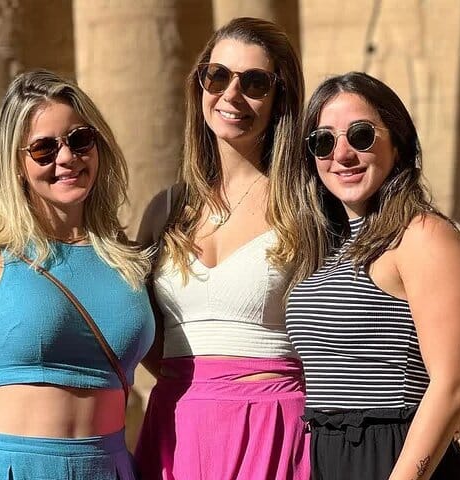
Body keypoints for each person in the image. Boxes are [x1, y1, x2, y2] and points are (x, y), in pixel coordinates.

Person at [0, 69, 154, 480]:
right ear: (17, 164)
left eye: (79, 139)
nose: (67, 158)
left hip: (111, 467)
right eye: (43, 149)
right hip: (22, 468)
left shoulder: (128, 260)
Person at [134, 17, 326, 480]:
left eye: (255, 82)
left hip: (274, 424)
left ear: (280, 97)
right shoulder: (166, 208)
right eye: (217, 76)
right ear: (200, 84)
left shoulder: (308, 206)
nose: (231, 95)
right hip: (177, 424)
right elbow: (134, 321)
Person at [286, 71, 460, 479]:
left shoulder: (422, 235)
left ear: (398, 142)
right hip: (328, 456)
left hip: (395, 456)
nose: (342, 154)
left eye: (361, 135)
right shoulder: (326, 249)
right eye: (323, 141)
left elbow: (452, 385)